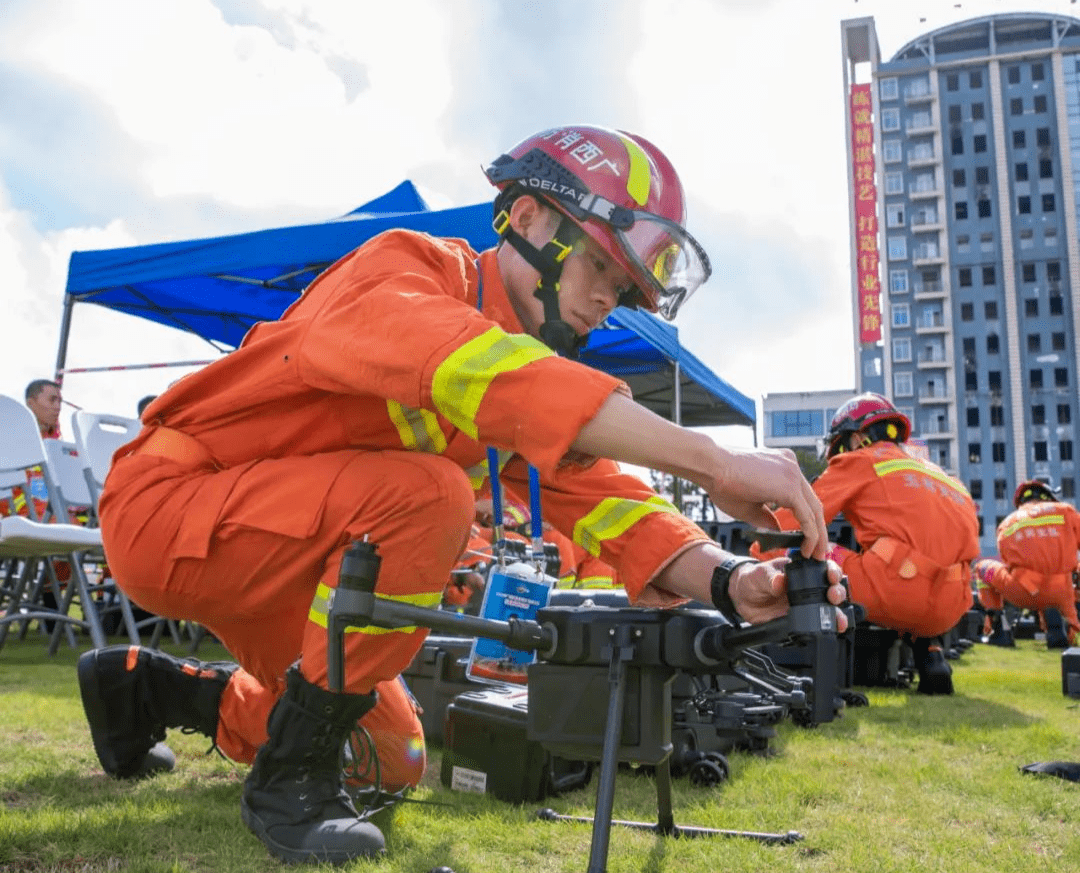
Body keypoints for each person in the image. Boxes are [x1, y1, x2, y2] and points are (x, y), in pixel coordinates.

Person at [77, 124, 848, 865]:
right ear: (529, 219)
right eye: (600, 267)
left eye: (623, 286)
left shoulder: (511, 394)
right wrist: (714, 461)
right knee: (433, 495)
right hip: (168, 506)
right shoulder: (407, 270)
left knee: (394, 754)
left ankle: (148, 690)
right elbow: (480, 370)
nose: (607, 298)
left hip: (279, 556)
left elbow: (611, 500)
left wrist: (730, 576)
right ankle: (286, 788)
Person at [751, 391, 979, 695]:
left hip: (897, 591)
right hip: (952, 603)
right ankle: (931, 653)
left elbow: (794, 520)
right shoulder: (946, 477)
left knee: (808, 547)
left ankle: (819, 653)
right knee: (899, 558)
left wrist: (753, 554)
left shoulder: (860, 460)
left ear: (857, 438)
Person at [973, 480, 1080, 650]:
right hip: (1063, 592)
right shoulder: (1066, 512)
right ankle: (1068, 628)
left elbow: (1008, 565)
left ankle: (1000, 630)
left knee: (983, 568)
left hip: (1023, 591)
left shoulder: (1006, 524)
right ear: (1048, 497)